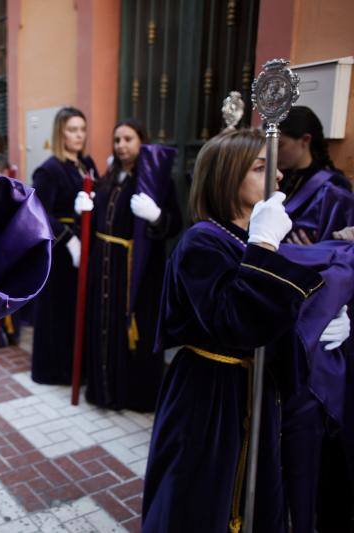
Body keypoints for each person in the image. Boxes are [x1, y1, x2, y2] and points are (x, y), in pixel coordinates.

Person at [142, 128, 350, 532]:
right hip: (211, 396)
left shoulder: (248, 237)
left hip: (255, 393)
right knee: (205, 500)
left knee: (257, 497)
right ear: (227, 175)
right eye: (260, 167)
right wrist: (265, 247)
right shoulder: (202, 241)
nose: (276, 177)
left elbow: (277, 311)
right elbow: (235, 321)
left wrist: (327, 317)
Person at [277, 106, 354, 531]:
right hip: (283, 313)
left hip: (321, 324)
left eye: (283, 144)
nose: (276, 154)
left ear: (305, 141)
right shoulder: (280, 180)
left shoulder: (334, 191)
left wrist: (307, 248)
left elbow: (345, 263)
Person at [81, 119, 182, 410]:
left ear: (142, 142)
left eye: (128, 139)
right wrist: (86, 208)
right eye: (117, 140)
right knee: (104, 325)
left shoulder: (157, 179)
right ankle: (103, 391)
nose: (122, 145)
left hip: (134, 270)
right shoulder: (109, 177)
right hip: (104, 266)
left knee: (131, 329)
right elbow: (98, 216)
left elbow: (174, 223)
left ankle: (131, 395)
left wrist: (155, 217)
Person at [30, 107, 98, 384]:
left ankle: (76, 367)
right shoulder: (49, 169)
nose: (78, 135)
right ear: (60, 132)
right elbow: (39, 212)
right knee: (59, 311)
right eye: (72, 130)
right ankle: (55, 370)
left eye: (82, 129)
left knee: (77, 310)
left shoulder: (86, 163)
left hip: (86, 245)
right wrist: (68, 239)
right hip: (61, 252)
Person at [278, 106, 354, 245]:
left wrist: (315, 252)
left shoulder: (333, 187)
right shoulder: (274, 177)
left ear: (305, 140)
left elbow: (342, 246)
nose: (274, 153)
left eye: (280, 145)